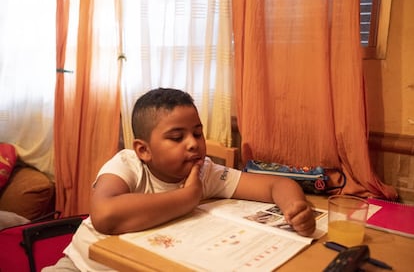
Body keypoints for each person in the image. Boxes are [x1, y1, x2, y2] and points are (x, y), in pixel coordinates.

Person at [43, 88, 316, 271]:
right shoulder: (128, 164)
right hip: (83, 266)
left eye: (197, 133)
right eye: (177, 137)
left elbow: (274, 184)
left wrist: (295, 206)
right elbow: (105, 214)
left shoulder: (204, 172)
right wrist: (188, 197)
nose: (193, 144)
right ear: (144, 150)